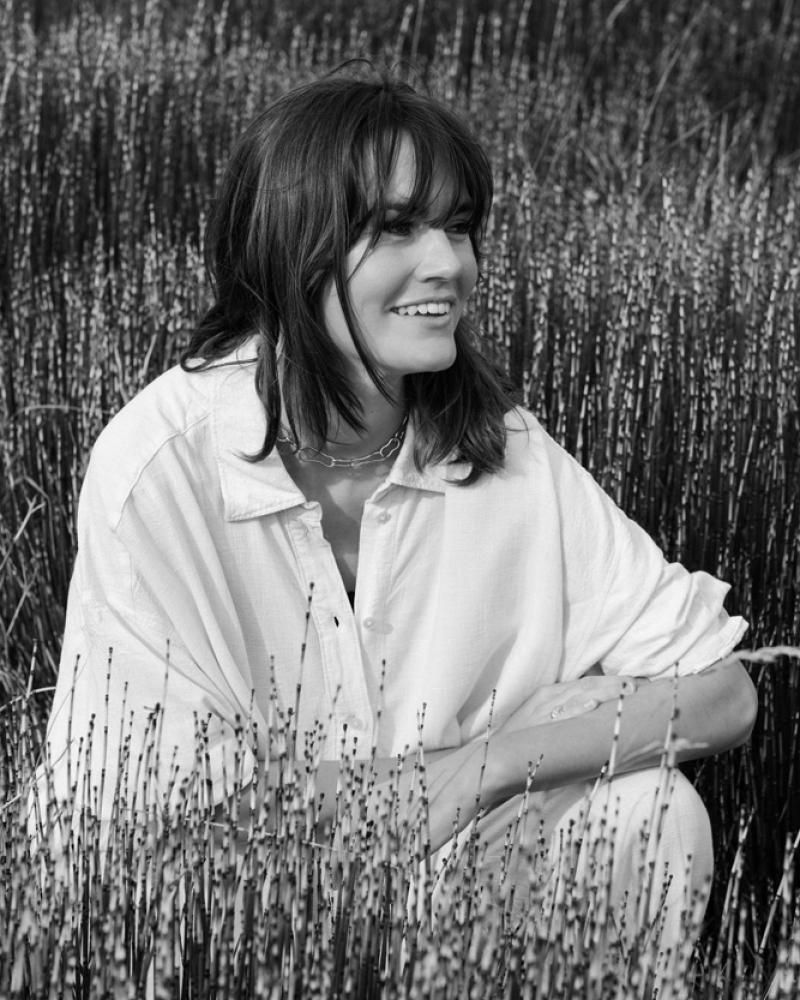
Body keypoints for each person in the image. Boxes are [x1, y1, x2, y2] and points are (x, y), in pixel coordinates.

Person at [42, 72, 756, 962]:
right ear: (290, 246)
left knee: (652, 809)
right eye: (394, 227)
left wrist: (494, 765)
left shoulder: (503, 452)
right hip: (210, 916)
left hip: (450, 889)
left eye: (458, 226)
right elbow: (173, 818)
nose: (449, 264)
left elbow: (723, 692)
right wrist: (452, 769)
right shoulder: (161, 469)